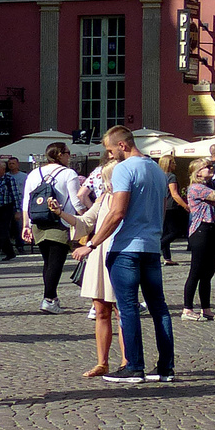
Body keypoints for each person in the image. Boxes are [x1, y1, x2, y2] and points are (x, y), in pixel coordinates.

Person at [74, 126, 175, 384]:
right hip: (151, 247)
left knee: (127, 308)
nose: (109, 156)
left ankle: (134, 367)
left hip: (127, 248)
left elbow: (117, 212)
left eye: (110, 150)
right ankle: (166, 367)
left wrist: (92, 244)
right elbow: (162, 211)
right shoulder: (157, 170)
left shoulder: (124, 169)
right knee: (159, 308)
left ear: (122, 145)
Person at [55, 159, 122, 377]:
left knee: (122, 312)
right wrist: (60, 214)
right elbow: (85, 222)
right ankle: (102, 362)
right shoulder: (103, 199)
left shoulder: (125, 199)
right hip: (98, 256)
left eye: (105, 179)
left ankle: (126, 361)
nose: (102, 184)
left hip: (118, 254)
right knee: (101, 310)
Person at [22, 142, 83, 313]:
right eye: (68, 153)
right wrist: (85, 218)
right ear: (59, 155)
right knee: (56, 262)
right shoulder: (69, 173)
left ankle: (51, 297)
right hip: (60, 221)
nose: (69, 157)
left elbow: (26, 202)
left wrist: (25, 225)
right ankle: (48, 299)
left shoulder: (34, 173)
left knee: (48, 262)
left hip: (38, 221)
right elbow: (76, 200)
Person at [180, 158, 215, 321]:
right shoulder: (196, 188)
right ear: (197, 172)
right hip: (201, 231)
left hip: (214, 230)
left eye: (210, 166)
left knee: (208, 274)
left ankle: (206, 309)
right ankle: (187, 309)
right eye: (206, 167)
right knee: (196, 272)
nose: (210, 168)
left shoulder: (210, 185)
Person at [162, 156, 187, 266]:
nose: (175, 165)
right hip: (171, 207)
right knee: (175, 231)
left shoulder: (159, 176)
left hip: (162, 206)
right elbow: (175, 194)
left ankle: (167, 257)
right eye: (173, 163)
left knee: (165, 232)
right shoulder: (171, 177)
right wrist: (186, 206)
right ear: (168, 164)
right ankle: (159, 245)